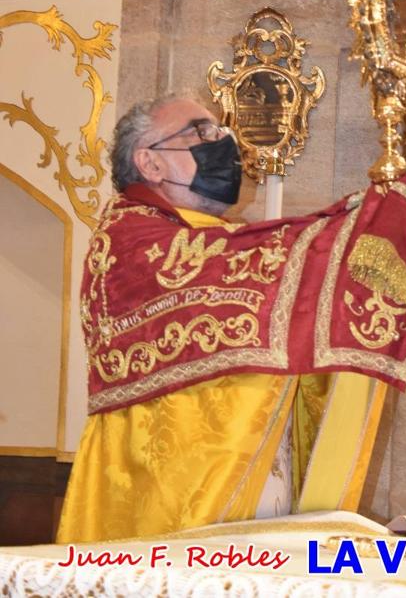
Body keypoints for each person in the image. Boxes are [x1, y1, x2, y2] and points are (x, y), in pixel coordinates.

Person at [57, 95, 388, 542]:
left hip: (257, 474)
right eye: (201, 132)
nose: (224, 144)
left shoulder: (218, 239)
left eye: (222, 132)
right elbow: (240, 271)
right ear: (149, 163)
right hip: (173, 488)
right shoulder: (129, 240)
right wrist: (354, 229)